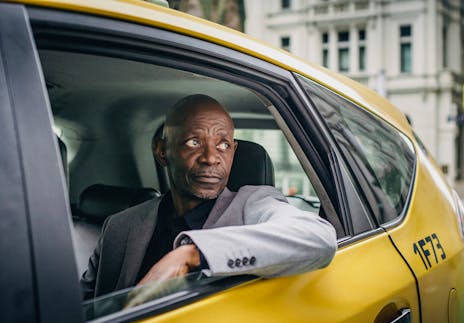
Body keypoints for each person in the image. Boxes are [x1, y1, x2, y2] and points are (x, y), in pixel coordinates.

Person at [81, 94, 337, 299]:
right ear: (161, 151)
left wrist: (192, 254)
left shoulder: (254, 204)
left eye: (223, 145)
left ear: (234, 152)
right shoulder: (118, 227)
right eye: (194, 142)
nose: (211, 157)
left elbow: (319, 237)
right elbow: (82, 307)